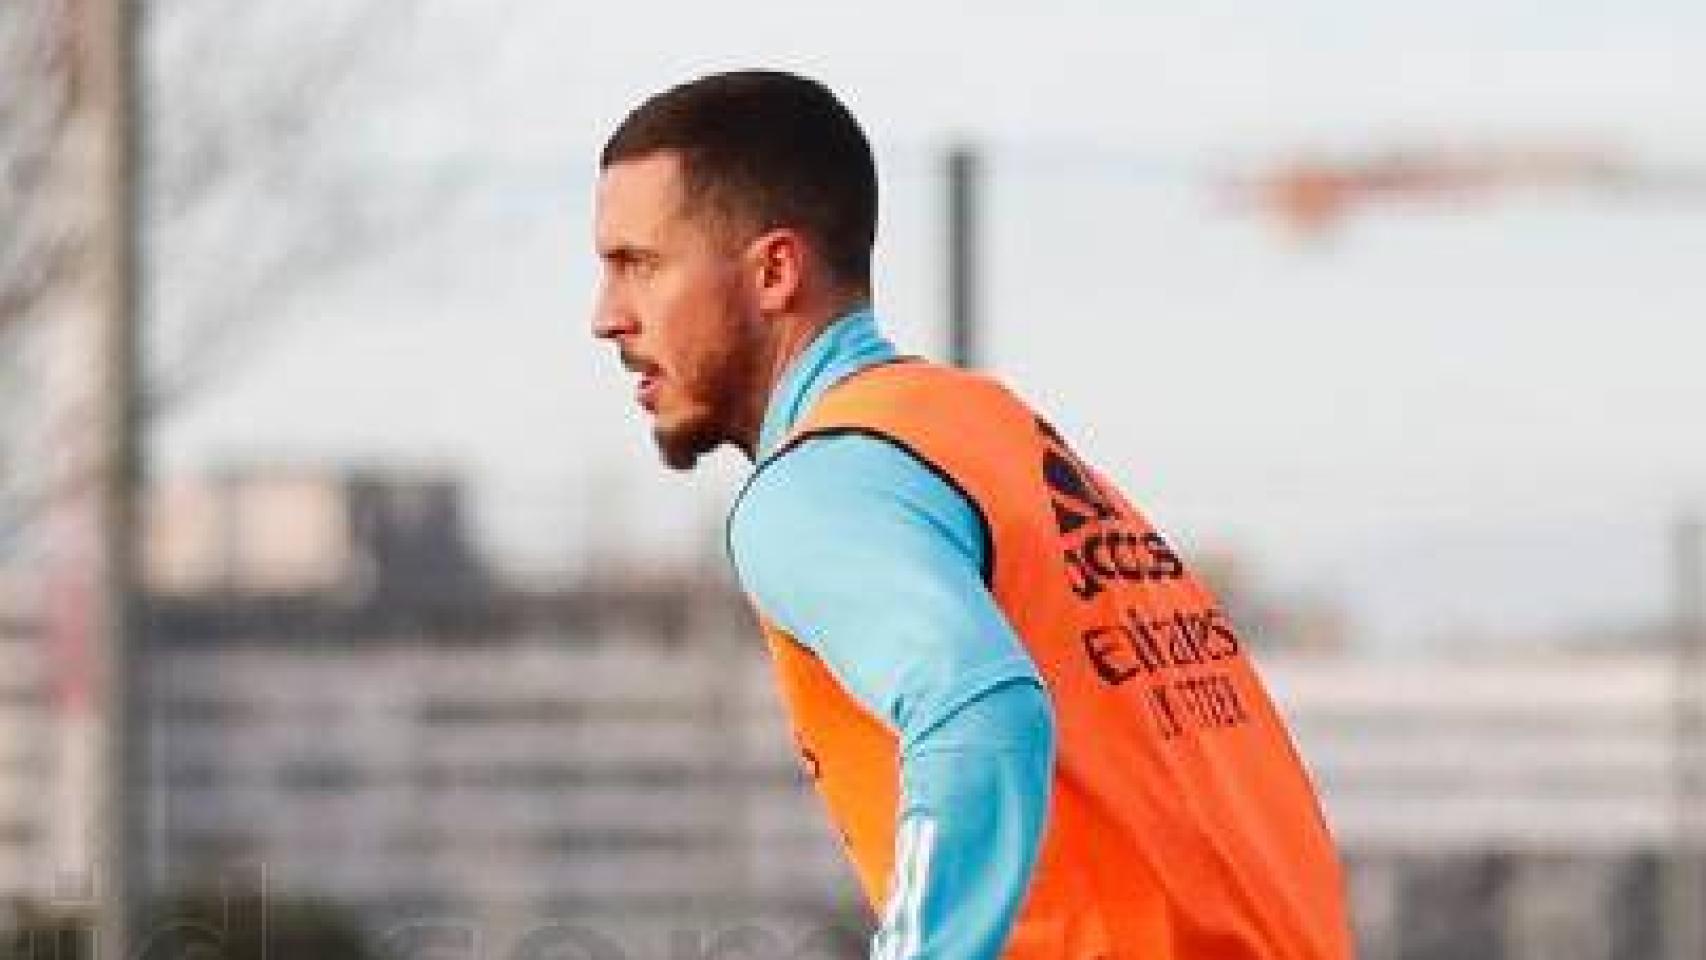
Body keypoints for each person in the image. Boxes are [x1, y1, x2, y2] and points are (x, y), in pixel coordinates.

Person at [590, 69, 1354, 960]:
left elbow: (980, 708)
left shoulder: (815, 489)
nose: (607, 317)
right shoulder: (991, 435)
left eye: (638, 265)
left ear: (773, 271)